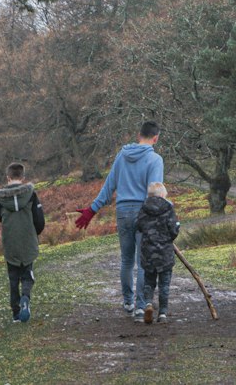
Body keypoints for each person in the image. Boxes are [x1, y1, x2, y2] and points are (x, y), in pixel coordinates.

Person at [74, 120, 163, 318]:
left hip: (123, 211)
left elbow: (109, 187)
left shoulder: (122, 156)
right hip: (144, 212)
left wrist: (92, 209)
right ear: (155, 138)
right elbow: (155, 193)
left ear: (139, 135)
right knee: (143, 261)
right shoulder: (155, 160)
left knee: (126, 260)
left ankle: (128, 302)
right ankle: (140, 305)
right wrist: (161, 217)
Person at [0, 161, 45, 322]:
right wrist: (34, 233)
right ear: (22, 177)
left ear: (8, 177)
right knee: (27, 275)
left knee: (13, 277)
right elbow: (39, 219)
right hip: (28, 240)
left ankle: (16, 313)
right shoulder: (31, 195)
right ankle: (26, 298)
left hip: (10, 242)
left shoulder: (0, 199)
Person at [136, 181, 180, 324]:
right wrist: (170, 236)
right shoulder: (168, 208)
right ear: (163, 195)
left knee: (149, 282)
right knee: (164, 284)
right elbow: (173, 230)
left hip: (148, 253)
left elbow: (139, 226)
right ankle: (162, 313)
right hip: (165, 254)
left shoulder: (143, 208)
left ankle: (148, 303)